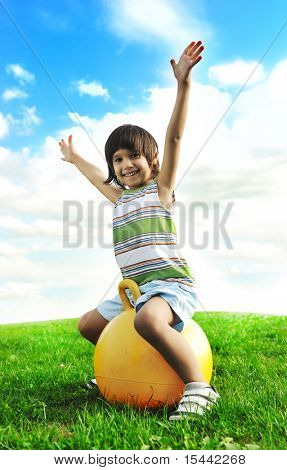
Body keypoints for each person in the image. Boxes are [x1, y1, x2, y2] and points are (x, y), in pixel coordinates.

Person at [59, 40, 219, 420]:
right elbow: (97, 177)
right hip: (136, 291)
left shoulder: (160, 190)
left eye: (134, 156)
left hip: (170, 287)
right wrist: (74, 156)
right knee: (88, 325)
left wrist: (183, 85)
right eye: (118, 158)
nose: (126, 163)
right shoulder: (119, 198)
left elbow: (175, 137)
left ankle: (199, 388)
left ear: (152, 161)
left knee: (148, 320)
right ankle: (122, 369)